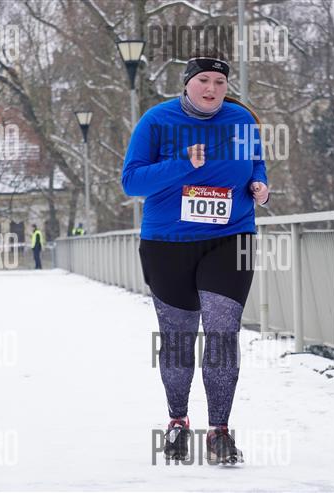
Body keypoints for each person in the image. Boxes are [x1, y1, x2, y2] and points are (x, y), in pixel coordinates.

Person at [122, 50, 269, 464]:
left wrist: (261, 186)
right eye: (203, 80)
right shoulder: (156, 121)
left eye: (220, 82)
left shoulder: (242, 120)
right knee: (178, 338)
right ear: (187, 83)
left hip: (231, 236)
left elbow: (256, 163)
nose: (212, 88)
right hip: (167, 243)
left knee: (222, 332)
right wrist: (182, 163)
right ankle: (177, 421)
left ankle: (220, 431)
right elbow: (131, 182)